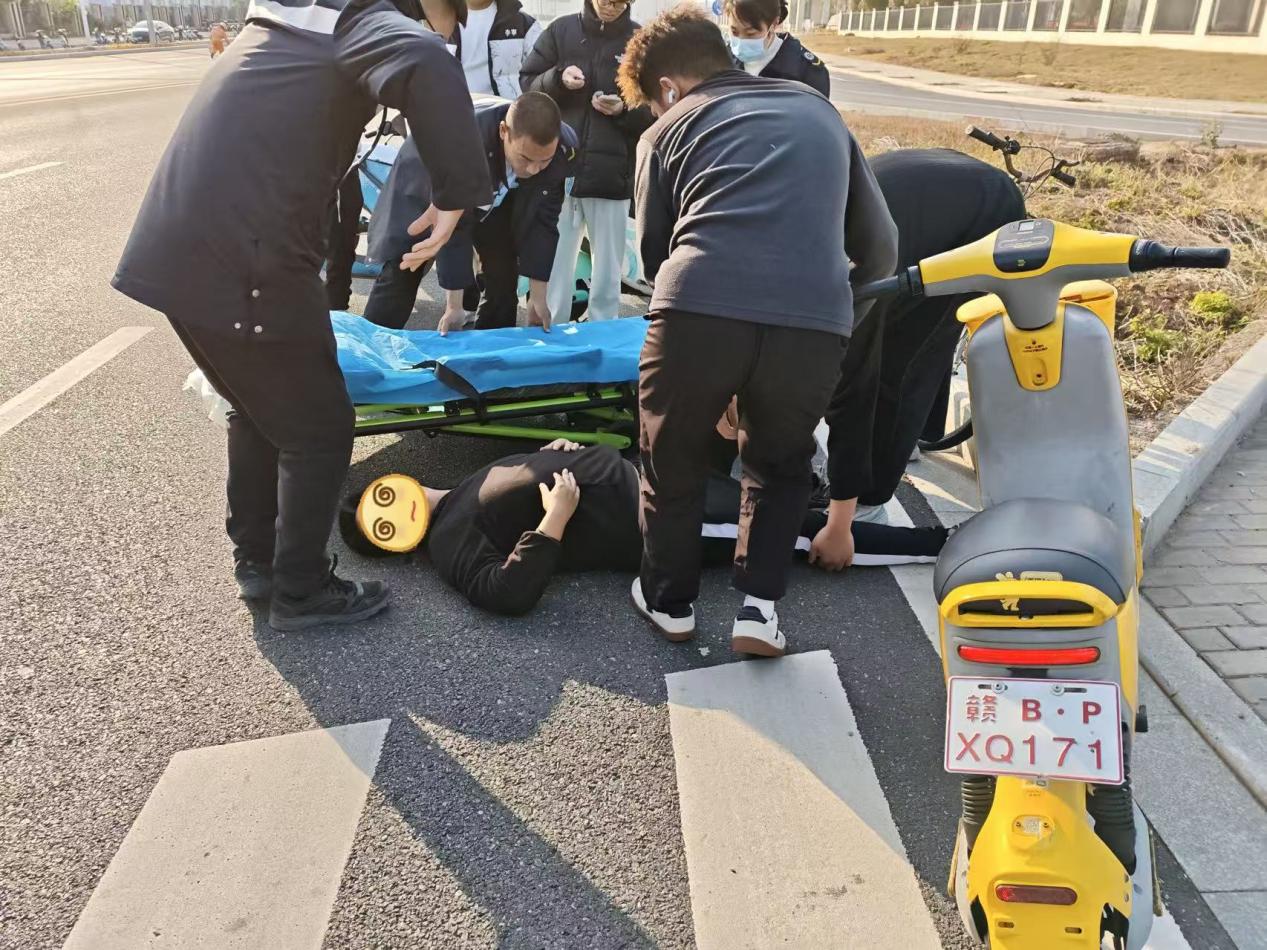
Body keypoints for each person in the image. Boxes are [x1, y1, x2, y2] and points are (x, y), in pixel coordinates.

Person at [112, 0, 491, 631]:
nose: (437, 32)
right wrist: (456, 194)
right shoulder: (358, 19)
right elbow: (426, 60)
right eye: (444, 19)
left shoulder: (292, 22)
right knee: (320, 427)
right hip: (247, 260)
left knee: (263, 411)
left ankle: (259, 562)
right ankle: (302, 589)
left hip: (182, 253)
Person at [616, 8, 898, 658]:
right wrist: (829, 321)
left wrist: (717, 364)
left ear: (666, 88)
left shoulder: (663, 130)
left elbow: (655, 258)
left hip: (699, 302)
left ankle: (669, 602)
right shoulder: (819, 111)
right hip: (813, 317)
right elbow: (881, 248)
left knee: (670, 453)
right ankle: (759, 612)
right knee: (779, 463)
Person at [337, 440, 947, 617]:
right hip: (656, 520)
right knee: (794, 531)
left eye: (382, 496)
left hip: (646, 473)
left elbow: (517, 484)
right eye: (383, 523)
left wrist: (549, 454)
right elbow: (504, 594)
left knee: (768, 491)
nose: (398, 507)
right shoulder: (447, 543)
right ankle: (938, 547)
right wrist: (554, 520)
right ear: (394, 544)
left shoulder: (459, 488)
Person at [809, 148, 1027, 569]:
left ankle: (872, 499)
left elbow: (851, 398)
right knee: (903, 333)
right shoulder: (788, 270)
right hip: (927, 193)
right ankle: (910, 437)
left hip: (981, 215)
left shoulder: (842, 292)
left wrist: (839, 522)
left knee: (904, 360)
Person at [362, 92, 577, 332]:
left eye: (544, 161)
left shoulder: (562, 149)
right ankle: (372, 344)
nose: (534, 169)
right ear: (503, 131)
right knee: (408, 262)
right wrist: (455, 306)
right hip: (426, 179)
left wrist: (538, 298)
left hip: (495, 192)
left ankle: (496, 347)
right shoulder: (464, 144)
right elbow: (454, 227)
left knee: (503, 269)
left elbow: (542, 222)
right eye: (525, 158)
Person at [520, 0, 652, 326]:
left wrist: (623, 110)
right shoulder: (560, 31)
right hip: (559, 169)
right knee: (554, 264)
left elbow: (656, 110)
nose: (611, 6)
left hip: (612, 175)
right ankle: (551, 335)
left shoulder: (640, 42)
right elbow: (528, 85)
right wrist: (557, 79)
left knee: (608, 272)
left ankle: (602, 337)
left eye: (620, 1)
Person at [723, 0, 829, 96]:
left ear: (774, 24)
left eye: (751, 34)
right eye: (734, 32)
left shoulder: (807, 72)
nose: (740, 40)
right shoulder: (722, 61)